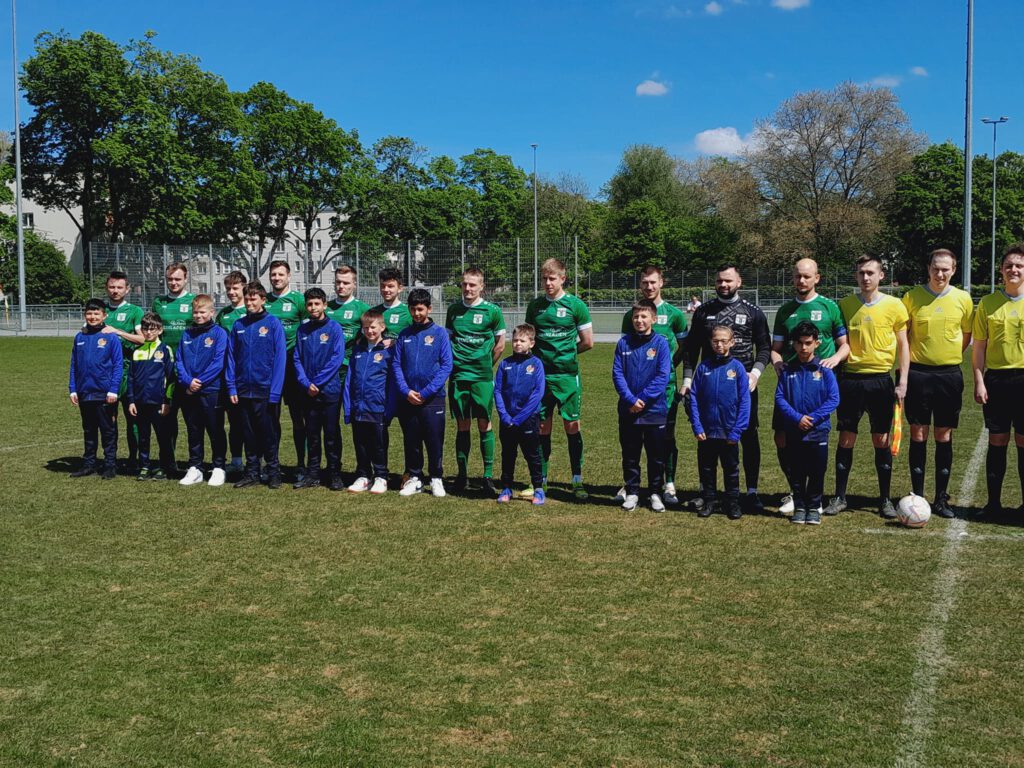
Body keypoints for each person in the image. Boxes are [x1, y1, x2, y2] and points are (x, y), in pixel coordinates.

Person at [826, 255, 910, 518]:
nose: (866, 277)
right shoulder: (845, 305)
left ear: (881, 275)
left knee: (880, 439)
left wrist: (903, 381)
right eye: (861, 273)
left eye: (871, 273)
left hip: (881, 381)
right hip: (851, 380)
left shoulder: (895, 306)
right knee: (846, 437)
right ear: (856, 275)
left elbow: (904, 346)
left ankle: (884, 500)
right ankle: (840, 497)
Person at [684, 264, 771, 514]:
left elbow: (764, 348)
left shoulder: (753, 312)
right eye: (720, 280)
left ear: (739, 282)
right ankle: (707, 493)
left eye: (728, 280)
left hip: (743, 387)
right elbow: (691, 349)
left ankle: (751, 492)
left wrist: (755, 374)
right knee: (707, 438)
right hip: (710, 385)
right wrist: (687, 380)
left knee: (748, 436)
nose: (723, 285)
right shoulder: (703, 312)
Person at [770, 258, 849, 515]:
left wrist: (834, 359)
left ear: (817, 277)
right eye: (797, 276)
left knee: (815, 441)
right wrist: (778, 364)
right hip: (791, 384)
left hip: (818, 386)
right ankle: (796, 492)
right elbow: (775, 349)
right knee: (782, 438)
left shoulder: (829, 307)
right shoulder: (785, 311)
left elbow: (844, 345)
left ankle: (813, 496)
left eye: (807, 276)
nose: (801, 280)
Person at [902, 248, 974, 518]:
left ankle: (941, 498)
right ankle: (918, 496)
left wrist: (947, 356)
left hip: (949, 376)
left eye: (945, 269)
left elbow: (965, 336)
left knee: (943, 435)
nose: (940, 273)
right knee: (918, 434)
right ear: (928, 268)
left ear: (953, 270)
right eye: (935, 268)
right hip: (919, 375)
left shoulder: (963, 299)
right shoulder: (912, 297)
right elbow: (905, 337)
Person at [614, 265, 687, 505]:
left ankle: (667, 484)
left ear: (661, 283)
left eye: (653, 282)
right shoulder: (630, 318)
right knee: (631, 446)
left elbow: (685, 349)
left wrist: (678, 373)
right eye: (645, 282)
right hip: (632, 394)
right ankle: (632, 487)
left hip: (663, 392)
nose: (649, 286)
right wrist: (630, 397)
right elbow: (623, 361)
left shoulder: (675, 315)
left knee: (665, 440)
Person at [524, 258, 594, 500]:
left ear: (563, 278)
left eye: (552, 278)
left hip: (567, 377)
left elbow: (588, 342)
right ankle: (540, 480)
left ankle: (577, 480)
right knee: (542, 427)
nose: (548, 283)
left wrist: (566, 355)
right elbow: (529, 340)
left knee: (571, 426)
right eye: (544, 278)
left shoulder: (576, 305)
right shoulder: (535, 306)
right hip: (542, 377)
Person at [973, 245, 1024, 519]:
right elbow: (979, 347)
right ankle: (993, 504)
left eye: (1019, 266)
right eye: (1009, 266)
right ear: (1001, 270)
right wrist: (979, 381)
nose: (1014, 270)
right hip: (997, 380)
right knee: (998, 440)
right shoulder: (988, 304)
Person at [446, 267, 506, 494]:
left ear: (482, 286)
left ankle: (487, 477)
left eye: (472, 284)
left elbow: (500, 345)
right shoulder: (454, 310)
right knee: (462, 425)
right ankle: (462, 476)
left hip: (482, 377)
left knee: (484, 423)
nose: (468, 288)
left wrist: (485, 366)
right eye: (464, 284)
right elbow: (449, 342)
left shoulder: (493, 311)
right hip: (459, 376)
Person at [774, 322, 840, 525]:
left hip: (818, 430)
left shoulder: (825, 369)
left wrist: (813, 418)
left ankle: (814, 507)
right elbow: (780, 398)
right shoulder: (787, 370)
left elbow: (834, 398)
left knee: (817, 470)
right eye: (800, 343)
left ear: (816, 343)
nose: (804, 347)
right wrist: (797, 418)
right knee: (797, 470)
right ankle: (800, 506)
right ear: (793, 344)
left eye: (808, 343)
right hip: (795, 430)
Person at [226, 281, 287, 490]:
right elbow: (231, 358)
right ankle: (251, 472)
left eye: (254, 299)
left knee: (268, 434)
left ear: (263, 300)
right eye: (247, 299)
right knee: (248, 433)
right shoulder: (238, 325)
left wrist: (275, 391)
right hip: (243, 390)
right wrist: (232, 387)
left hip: (266, 390)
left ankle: (273, 471)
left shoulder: (273, 323)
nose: (250, 303)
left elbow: (280, 359)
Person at [613, 299, 672, 512]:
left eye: (644, 316)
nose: (639, 320)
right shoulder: (623, 343)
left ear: (653, 319)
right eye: (636, 316)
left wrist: (643, 400)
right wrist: (630, 400)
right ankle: (632, 492)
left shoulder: (661, 343)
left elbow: (663, 376)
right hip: (628, 410)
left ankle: (655, 492)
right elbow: (617, 374)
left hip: (654, 410)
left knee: (656, 457)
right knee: (630, 455)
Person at [393, 288, 453, 497]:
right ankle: (415, 478)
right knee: (411, 440)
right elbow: (396, 364)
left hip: (432, 399)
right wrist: (405, 390)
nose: (416, 313)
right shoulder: (404, 334)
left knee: (434, 440)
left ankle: (436, 478)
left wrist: (427, 392)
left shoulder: (440, 333)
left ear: (429, 308)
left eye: (420, 309)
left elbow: (446, 365)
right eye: (413, 309)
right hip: (408, 398)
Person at [688, 325, 751, 519]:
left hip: (729, 431)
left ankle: (732, 503)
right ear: (710, 342)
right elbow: (693, 398)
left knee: (731, 469)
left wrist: (737, 430)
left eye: (724, 341)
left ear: (732, 342)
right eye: (716, 341)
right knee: (707, 469)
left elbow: (745, 401)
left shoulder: (737, 368)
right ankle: (709, 501)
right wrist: (697, 426)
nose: (719, 344)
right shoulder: (703, 367)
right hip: (706, 431)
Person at [293, 288, 345, 491]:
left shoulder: (334, 328)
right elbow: (297, 358)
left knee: (331, 434)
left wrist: (318, 382)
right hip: (308, 392)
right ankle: (313, 473)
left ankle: (334, 473)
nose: (313, 307)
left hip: (329, 390)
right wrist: (306, 383)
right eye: (309, 304)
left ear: (324, 304)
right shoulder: (302, 330)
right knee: (312, 434)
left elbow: (336, 358)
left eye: (317, 304)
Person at [176, 295, 229, 487]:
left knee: (215, 429)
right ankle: (195, 467)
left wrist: (200, 382)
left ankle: (219, 467)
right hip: (189, 390)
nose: (198, 315)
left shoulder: (219, 333)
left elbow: (218, 362)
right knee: (193, 430)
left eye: (202, 312)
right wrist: (188, 381)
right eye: (196, 312)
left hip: (211, 390)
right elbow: (179, 360)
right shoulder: (187, 334)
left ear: (211, 312)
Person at [265, 260, 310, 481]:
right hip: (270, 367)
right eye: (273, 274)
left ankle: (301, 464)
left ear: (289, 276)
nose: (276, 278)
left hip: (293, 366)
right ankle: (271, 463)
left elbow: (308, 330)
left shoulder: (299, 300)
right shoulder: (264, 300)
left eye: (280, 274)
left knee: (298, 417)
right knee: (270, 417)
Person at [68, 299, 123, 479]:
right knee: (89, 430)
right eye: (89, 313)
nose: (92, 317)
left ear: (104, 315)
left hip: (104, 393)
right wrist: (73, 388)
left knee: (108, 431)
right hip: (85, 392)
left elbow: (118, 365)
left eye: (96, 313)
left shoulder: (111, 337)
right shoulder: (80, 337)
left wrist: (113, 389)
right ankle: (89, 464)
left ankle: (110, 465)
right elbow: (74, 365)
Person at [343, 309, 395, 494]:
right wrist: (348, 406)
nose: (369, 331)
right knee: (360, 443)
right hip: (359, 406)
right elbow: (350, 379)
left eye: (373, 327)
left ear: (382, 327)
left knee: (378, 444)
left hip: (377, 407)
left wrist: (389, 408)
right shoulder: (358, 349)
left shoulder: (389, 350)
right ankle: (363, 475)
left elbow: (392, 382)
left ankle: (381, 476)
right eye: (365, 328)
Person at [494, 324, 547, 505]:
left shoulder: (536, 364)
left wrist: (519, 418)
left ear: (531, 343)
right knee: (508, 455)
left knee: (532, 455)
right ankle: (506, 488)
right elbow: (498, 390)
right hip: (507, 420)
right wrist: (504, 415)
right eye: (515, 340)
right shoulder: (505, 364)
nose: (517, 343)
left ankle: (538, 488)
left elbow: (538, 393)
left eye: (522, 341)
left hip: (528, 419)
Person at [151, 262, 195, 474]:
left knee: (192, 420)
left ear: (186, 279)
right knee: (165, 418)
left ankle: (195, 464)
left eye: (178, 279)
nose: (174, 282)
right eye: (170, 279)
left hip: (188, 369)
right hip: (164, 370)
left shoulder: (194, 301)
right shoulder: (159, 303)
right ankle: (167, 463)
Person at [102, 271, 145, 473]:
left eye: (119, 287)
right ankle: (110, 460)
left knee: (133, 418)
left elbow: (142, 339)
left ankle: (134, 459)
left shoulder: (135, 311)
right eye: (112, 287)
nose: (115, 290)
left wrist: (118, 332)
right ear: (106, 288)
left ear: (127, 289)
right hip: (105, 375)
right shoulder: (100, 310)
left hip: (129, 373)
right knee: (109, 419)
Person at [126, 312, 176, 481]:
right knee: (143, 436)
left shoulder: (165, 350)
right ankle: (144, 466)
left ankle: (164, 466)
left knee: (163, 436)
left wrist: (167, 401)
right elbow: (131, 378)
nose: (148, 332)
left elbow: (171, 378)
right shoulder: (137, 351)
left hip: (159, 403)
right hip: (140, 402)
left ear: (160, 330)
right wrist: (131, 401)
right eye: (145, 329)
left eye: (152, 329)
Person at [216, 270, 249, 476]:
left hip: (247, 374)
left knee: (251, 421)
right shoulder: (223, 314)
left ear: (244, 287)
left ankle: (257, 461)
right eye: (228, 288)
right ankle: (236, 460)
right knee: (234, 420)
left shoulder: (251, 310)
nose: (231, 292)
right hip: (227, 375)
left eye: (235, 288)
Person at [372, 267, 412, 339]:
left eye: (390, 286)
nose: (386, 289)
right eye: (383, 286)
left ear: (400, 288)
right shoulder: (373, 312)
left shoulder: (409, 312)